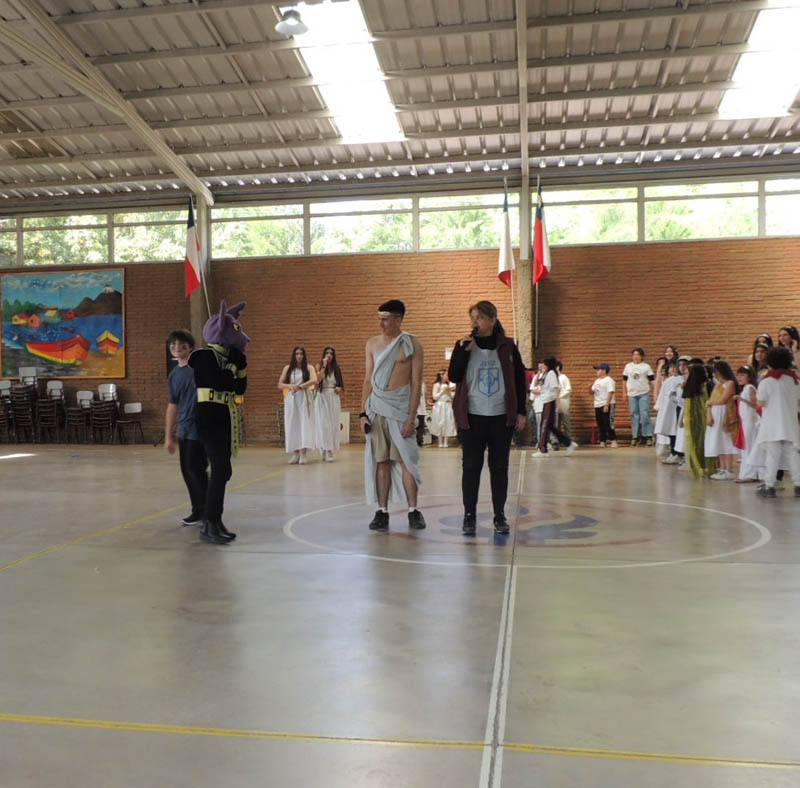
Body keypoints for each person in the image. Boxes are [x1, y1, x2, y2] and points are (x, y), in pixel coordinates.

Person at [448, 300, 526, 536]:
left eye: (480, 318)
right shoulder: (463, 345)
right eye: (473, 318)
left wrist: (521, 411)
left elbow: (519, 379)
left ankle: (499, 515)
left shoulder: (508, 346)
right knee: (471, 467)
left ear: (492, 320)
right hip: (473, 416)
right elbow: (454, 376)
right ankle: (469, 516)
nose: (475, 322)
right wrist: (462, 352)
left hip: (501, 416)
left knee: (499, 467)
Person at [360, 300, 425, 531]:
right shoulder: (372, 344)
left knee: (408, 461)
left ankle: (413, 511)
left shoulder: (412, 344)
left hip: (401, 409)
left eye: (385, 319)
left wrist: (411, 418)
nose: (381, 324)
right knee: (381, 461)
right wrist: (362, 413)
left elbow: (416, 382)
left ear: (399, 319)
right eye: (379, 318)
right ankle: (382, 511)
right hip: (377, 408)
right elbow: (368, 380)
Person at [189, 300, 249, 545]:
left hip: (225, 415)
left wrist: (241, 368)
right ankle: (208, 522)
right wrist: (233, 365)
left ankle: (216, 519)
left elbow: (239, 389)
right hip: (208, 417)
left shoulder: (228, 358)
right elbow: (220, 382)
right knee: (220, 468)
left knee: (224, 471)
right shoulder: (203, 356)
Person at [165, 329, 207, 528]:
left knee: (196, 470)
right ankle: (200, 510)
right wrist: (168, 436)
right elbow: (172, 405)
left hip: (201, 428)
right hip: (184, 428)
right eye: (173, 344)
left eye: (182, 344)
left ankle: (205, 510)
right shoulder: (174, 374)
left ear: (190, 347)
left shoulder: (199, 369)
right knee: (188, 471)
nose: (177, 347)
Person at [754, 346, 800, 498]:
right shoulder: (795, 380)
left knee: (772, 456)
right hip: (790, 423)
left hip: (771, 424)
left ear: (770, 362)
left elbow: (761, 402)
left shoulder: (767, 381)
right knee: (793, 455)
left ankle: (769, 486)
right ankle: (798, 484)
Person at [531, 356, 578, 458]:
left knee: (544, 425)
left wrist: (558, 403)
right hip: (545, 401)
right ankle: (569, 443)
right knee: (550, 426)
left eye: (544, 363)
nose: (542, 365)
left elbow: (556, 389)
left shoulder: (552, 374)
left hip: (550, 401)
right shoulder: (546, 374)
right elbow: (535, 383)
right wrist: (539, 373)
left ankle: (543, 450)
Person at [279, 347, 317, 465]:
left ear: (304, 355)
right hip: (291, 398)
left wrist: (300, 386)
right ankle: (295, 453)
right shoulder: (287, 368)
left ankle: (303, 453)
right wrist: (290, 386)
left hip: (304, 397)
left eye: (301, 354)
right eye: (297, 354)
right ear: (294, 355)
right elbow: (280, 384)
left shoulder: (309, 368)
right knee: (292, 424)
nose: (299, 356)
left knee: (304, 424)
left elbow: (314, 380)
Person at [705, 360, 739, 480]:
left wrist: (709, 402)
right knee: (718, 441)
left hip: (724, 414)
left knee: (725, 441)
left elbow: (722, 400)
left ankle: (729, 469)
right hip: (716, 415)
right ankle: (722, 468)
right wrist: (709, 410)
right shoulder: (718, 385)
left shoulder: (730, 383)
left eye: (716, 372)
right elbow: (711, 401)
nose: (714, 374)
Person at [680, 363, 713, 479]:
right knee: (693, 441)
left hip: (703, 418)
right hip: (691, 419)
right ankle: (696, 465)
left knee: (702, 441)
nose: (685, 376)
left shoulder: (706, 386)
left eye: (687, 374)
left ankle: (705, 466)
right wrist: (682, 418)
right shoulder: (688, 386)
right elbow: (686, 405)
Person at [734, 365, 764, 483]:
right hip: (745, 422)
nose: (739, 377)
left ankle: (750, 473)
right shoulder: (745, 388)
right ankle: (751, 473)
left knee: (749, 447)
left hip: (751, 422)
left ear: (749, 377)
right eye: (738, 375)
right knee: (747, 447)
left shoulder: (750, 388)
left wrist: (742, 400)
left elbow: (755, 405)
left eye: (742, 375)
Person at [314, 346, 343, 462]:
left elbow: (340, 384)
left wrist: (339, 388)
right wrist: (324, 365)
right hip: (322, 397)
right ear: (324, 355)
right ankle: (324, 448)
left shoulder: (337, 368)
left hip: (333, 397)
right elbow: (318, 380)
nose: (329, 355)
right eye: (327, 353)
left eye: (331, 353)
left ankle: (330, 450)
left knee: (332, 424)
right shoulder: (319, 366)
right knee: (323, 424)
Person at [623, 348, 655, 446]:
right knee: (634, 414)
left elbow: (652, 380)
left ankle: (648, 436)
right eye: (634, 355)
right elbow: (624, 380)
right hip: (632, 394)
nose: (635, 357)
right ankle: (635, 436)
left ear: (642, 356)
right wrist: (624, 393)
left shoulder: (646, 366)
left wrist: (656, 392)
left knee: (645, 414)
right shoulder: (628, 366)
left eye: (638, 355)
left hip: (643, 393)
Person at [654, 359, 682, 463]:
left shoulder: (681, 379)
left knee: (676, 431)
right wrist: (659, 406)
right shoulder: (668, 380)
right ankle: (672, 452)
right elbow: (662, 394)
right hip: (667, 410)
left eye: (675, 367)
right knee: (670, 431)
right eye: (671, 367)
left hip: (677, 409)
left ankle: (678, 454)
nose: (673, 369)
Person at [590, 363, 617, 447]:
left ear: (604, 370)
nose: (597, 371)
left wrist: (606, 405)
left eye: (598, 370)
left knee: (608, 422)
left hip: (606, 403)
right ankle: (603, 440)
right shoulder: (597, 381)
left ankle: (613, 440)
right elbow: (592, 391)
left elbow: (610, 392)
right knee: (600, 423)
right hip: (597, 404)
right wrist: (589, 388)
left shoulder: (609, 380)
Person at [430, 370, 457, 448]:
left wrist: (449, 393)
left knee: (447, 422)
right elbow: (434, 397)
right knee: (439, 422)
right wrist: (442, 392)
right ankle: (440, 441)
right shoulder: (436, 385)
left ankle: (446, 442)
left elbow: (452, 397)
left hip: (447, 405)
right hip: (439, 406)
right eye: (446, 375)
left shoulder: (450, 385)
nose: (447, 377)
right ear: (442, 376)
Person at [528, 362, 546, 449]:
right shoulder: (536, 377)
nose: (540, 369)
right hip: (538, 405)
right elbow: (532, 389)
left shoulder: (548, 376)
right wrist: (541, 391)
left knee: (547, 425)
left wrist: (541, 391)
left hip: (547, 404)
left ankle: (546, 442)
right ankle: (540, 442)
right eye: (539, 367)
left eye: (542, 367)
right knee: (539, 425)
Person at [555, 361, 573, 444]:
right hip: (555, 403)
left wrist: (559, 396)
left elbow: (568, 389)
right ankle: (558, 440)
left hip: (563, 402)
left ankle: (568, 439)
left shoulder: (564, 378)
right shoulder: (554, 378)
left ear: (558, 367)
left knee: (565, 421)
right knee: (556, 423)